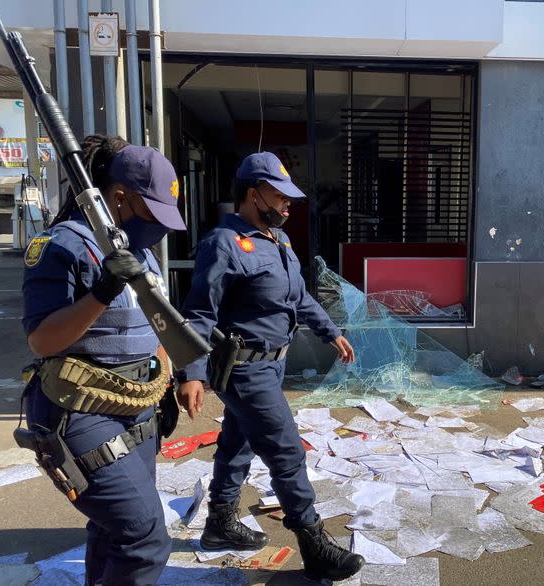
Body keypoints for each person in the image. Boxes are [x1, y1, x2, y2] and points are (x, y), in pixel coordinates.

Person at [176, 152, 364, 582]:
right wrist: (192, 373)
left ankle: (219, 523)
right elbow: (199, 315)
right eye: (279, 197)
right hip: (243, 372)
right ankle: (313, 542)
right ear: (251, 193)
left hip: (273, 366)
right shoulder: (223, 243)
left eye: (288, 198)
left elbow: (299, 297)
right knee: (287, 452)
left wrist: (330, 331)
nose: (287, 205)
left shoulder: (278, 241)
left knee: (237, 444)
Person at [21, 135, 187, 585]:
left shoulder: (141, 253)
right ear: (119, 198)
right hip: (80, 409)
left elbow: (148, 325)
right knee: (144, 537)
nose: (162, 229)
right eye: (154, 215)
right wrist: (101, 291)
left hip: (138, 405)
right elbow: (42, 340)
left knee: (113, 530)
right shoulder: (61, 245)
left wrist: (173, 377)